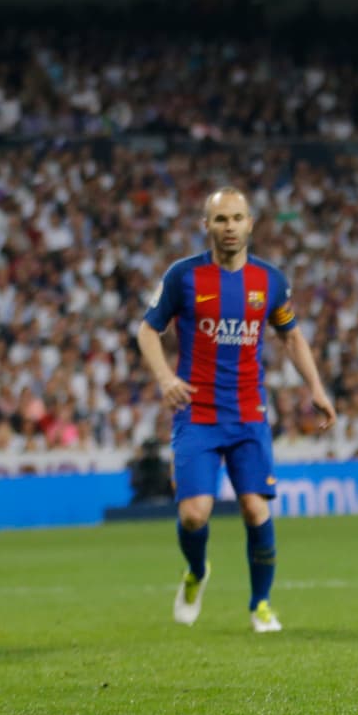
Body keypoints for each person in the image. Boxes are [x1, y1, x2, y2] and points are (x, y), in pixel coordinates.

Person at [138, 186, 336, 633]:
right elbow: (148, 331)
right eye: (221, 219)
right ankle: (196, 571)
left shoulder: (270, 281)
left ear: (251, 224)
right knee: (194, 514)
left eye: (237, 218)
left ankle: (261, 603)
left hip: (248, 413)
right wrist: (165, 379)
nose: (229, 227)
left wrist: (316, 387)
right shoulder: (183, 277)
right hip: (197, 414)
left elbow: (291, 335)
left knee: (255, 509)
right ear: (206, 225)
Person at [128, 437, 175, 510]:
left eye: (154, 448)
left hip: (163, 496)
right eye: (149, 449)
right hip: (144, 497)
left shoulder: (164, 465)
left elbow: (169, 484)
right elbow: (134, 483)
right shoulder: (138, 466)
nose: (151, 451)